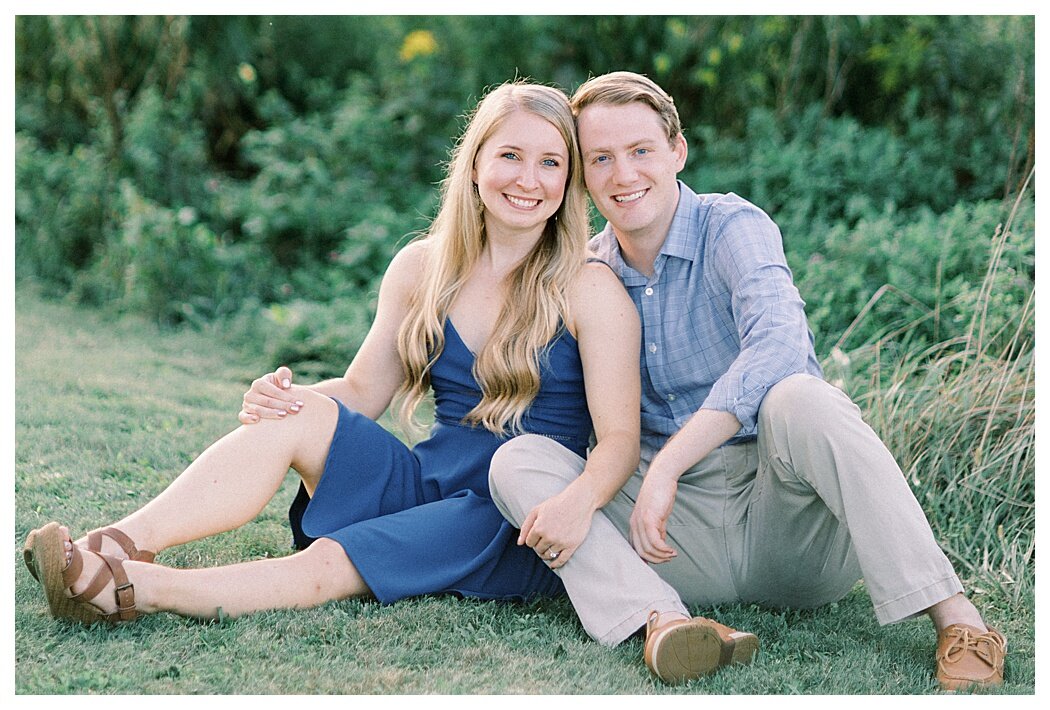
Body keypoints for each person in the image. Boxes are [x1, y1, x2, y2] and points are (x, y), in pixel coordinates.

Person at [22, 80, 642, 627]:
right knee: (294, 415)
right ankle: (121, 542)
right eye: (510, 155)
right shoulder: (421, 268)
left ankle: (138, 591)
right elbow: (363, 392)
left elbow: (618, 439)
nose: (528, 179)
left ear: (570, 180)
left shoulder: (588, 288)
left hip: (511, 519)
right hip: (429, 482)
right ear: (475, 162)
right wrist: (284, 400)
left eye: (550, 162)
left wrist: (576, 506)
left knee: (334, 561)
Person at [487, 71, 1006, 691]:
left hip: (784, 522)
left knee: (803, 397)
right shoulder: (588, 272)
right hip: (673, 542)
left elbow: (781, 345)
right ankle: (665, 624)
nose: (623, 175)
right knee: (517, 462)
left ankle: (959, 620)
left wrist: (669, 464)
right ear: (583, 174)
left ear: (677, 151)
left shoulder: (730, 226)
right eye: (601, 158)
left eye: (641, 151)